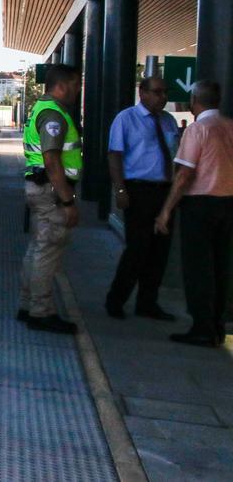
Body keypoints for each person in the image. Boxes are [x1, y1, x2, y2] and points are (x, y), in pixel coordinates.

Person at [154, 81, 233, 347]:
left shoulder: (198, 129)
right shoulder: (230, 126)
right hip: (228, 204)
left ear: (194, 100)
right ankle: (217, 325)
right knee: (221, 267)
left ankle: (201, 327)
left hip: (200, 206)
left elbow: (185, 174)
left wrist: (166, 210)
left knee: (198, 268)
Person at [104, 77, 179, 320]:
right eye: (157, 92)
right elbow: (115, 155)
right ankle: (116, 299)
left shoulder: (168, 121)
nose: (163, 97)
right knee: (137, 249)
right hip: (138, 191)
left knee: (160, 251)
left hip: (165, 192)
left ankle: (148, 303)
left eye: (165, 92)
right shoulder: (126, 119)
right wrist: (120, 190)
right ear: (142, 93)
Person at [20, 64, 83, 334]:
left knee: (37, 249)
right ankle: (40, 311)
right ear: (62, 85)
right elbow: (52, 160)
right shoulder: (53, 115)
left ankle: (28, 305)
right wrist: (68, 201)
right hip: (51, 191)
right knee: (47, 251)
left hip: (41, 188)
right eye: (76, 84)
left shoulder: (40, 108)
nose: (79, 90)